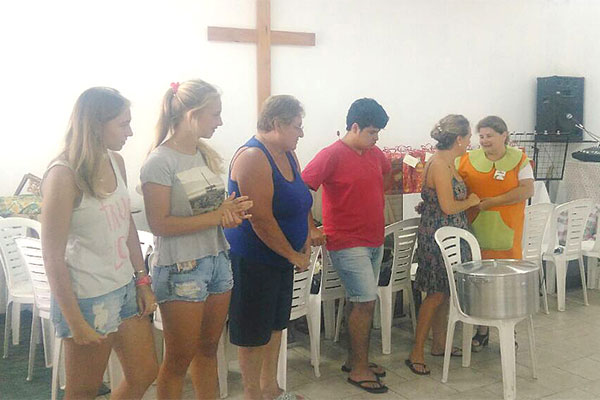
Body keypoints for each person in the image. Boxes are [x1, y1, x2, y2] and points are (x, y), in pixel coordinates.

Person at [41, 87, 158, 400]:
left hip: (123, 286)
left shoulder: (115, 161)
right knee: (83, 392)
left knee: (144, 372)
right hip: (87, 297)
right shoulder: (63, 175)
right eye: (123, 124)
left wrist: (142, 280)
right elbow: (52, 257)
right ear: (95, 125)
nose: (130, 132)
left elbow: (126, 226)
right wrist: (74, 320)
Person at [140, 80, 252, 399]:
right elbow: (160, 224)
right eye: (215, 114)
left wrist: (229, 211)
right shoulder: (160, 161)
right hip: (181, 267)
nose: (220, 122)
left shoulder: (203, 154)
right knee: (178, 360)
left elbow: (205, 211)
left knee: (209, 349)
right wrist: (217, 216)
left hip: (216, 259)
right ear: (192, 114)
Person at [301, 98, 391, 394]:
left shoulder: (375, 153)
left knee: (359, 300)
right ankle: (359, 369)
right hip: (347, 241)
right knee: (365, 301)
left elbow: (385, 176)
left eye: (378, 133)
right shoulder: (331, 155)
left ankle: (356, 360)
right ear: (354, 127)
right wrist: (311, 227)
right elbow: (302, 190)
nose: (376, 138)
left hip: (374, 239)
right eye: (372, 132)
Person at [226, 95, 312, 400]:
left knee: (276, 326)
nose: (301, 133)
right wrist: (293, 254)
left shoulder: (288, 154)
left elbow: (301, 201)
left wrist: (306, 241)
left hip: (282, 258)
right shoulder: (253, 157)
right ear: (277, 124)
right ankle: (253, 394)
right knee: (253, 333)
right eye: (297, 126)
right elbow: (261, 219)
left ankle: (271, 389)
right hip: (255, 259)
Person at [406, 115, 480, 375]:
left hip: (450, 233)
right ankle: (416, 352)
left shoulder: (448, 162)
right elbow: (448, 206)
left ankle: (439, 343)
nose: (470, 141)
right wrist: (471, 202)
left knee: (445, 291)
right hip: (439, 236)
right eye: (468, 137)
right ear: (458, 139)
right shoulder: (438, 164)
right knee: (435, 293)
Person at [457, 115, 534, 351]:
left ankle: (510, 332)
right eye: (481, 136)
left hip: (507, 231)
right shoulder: (467, 160)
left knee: (507, 283)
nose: (484, 140)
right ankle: (482, 331)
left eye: (489, 135)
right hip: (475, 230)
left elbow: (526, 190)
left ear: (504, 135)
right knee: (480, 282)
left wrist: (493, 202)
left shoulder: (519, 159)